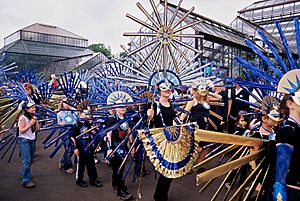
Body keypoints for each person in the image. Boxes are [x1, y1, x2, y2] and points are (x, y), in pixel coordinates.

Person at [272, 70, 300, 201]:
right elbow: (281, 171)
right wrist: (280, 192)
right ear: (290, 104)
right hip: (293, 193)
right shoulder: (288, 131)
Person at [147, 79, 177, 201]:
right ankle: (159, 196)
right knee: (166, 169)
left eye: (169, 89)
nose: (167, 91)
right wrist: (149, 115)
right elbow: (149, 123)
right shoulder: (155, 104)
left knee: (171, 170)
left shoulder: (171, 104)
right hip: (161, 140)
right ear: (159, 91)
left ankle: (162, 195)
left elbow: (173, 121)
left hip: (172, 139)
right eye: (164, 89)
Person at [180, 84, 221, 165]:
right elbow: (185, 112)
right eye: (202, 90)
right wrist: (180, 123)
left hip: (205, 126)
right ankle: (188, 165)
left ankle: (199, 165)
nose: (203, 92)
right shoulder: (193, 100)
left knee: (205, 147)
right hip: (196, 127)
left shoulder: (207, 100)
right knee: (194, 148)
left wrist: (209, 92)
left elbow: (219, 98)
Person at [71, 102, 102, 188]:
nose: (87, 115)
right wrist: (75, 148)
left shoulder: (88, 122)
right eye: (85, 113)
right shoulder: (76, 123)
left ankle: (93, 179)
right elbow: (72, 137)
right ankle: (79, 179)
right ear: (80, 113)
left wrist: (93, 127)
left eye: (88, 113)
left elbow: (95, 133)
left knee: (91, 163)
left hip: (88, 145)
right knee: (81, 164)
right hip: (80, 145)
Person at [106, 100, 133, 200]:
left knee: (120, 169)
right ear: (115, 107)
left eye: (124, 106)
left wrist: (132, 146)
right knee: (118, 169)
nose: (122, 108)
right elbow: (108, 134)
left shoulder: (126, 118)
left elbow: (129, 132)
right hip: (115, 147)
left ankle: (117, 184)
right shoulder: (112, 119)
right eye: (120, 106)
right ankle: (120, 191)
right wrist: (109, 149)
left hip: (123, 147)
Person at [18, 101, 40, 188]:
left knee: (30, 160)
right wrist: (30, 124)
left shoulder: (33, 117)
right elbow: (21, 131)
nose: (34, 109)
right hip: (24, 140)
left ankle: (24, 174)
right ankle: (26, 180)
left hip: (32, 139)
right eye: (32, 107)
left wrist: (36, 122)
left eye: (34, 107)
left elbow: (37, 129)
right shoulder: (22, 118)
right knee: (26, 161)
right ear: (27, 109)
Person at [57, 98, 77, 174]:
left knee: (74, 148)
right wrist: (61, 124)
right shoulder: (59, 113)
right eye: (65, 103)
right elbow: (58, 124)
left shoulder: (73, 111)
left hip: (74, 130)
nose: (66, 104)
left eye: (68, 103)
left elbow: (78, 116)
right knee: (69, 149)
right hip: (65, 132)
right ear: (62, 103)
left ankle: (62, 161)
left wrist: (73, 108)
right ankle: (67, 166)